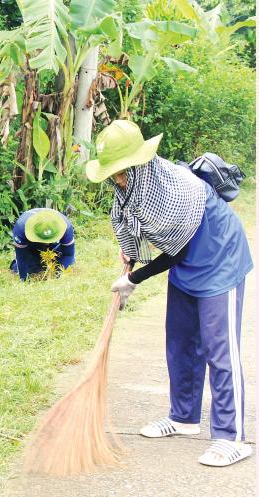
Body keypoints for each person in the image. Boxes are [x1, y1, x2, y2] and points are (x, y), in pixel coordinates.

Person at [86, 120, 253, 467]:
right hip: (188, 266)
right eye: (113, 174)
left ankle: (231, 437)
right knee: (180, 342)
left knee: (218, 349)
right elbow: (132, 226)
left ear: (140, 164)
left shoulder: (174, 188)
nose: (117, 181)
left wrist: (137, 278)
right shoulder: (132, 189)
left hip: (219, 259)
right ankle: (183, 417)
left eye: (122, 173)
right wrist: (129, 258)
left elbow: (174, 252)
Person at [10, 208, 75, 281]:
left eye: (48, 240)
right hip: (32, 246)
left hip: (54, 247)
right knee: (30, 269)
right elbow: (22, 258)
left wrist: (58, 274)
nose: (46, 243)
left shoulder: (66, 227)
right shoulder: (21, 228)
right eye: (43, 240)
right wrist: (23, 280)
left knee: (69, 265)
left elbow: (69, 255)